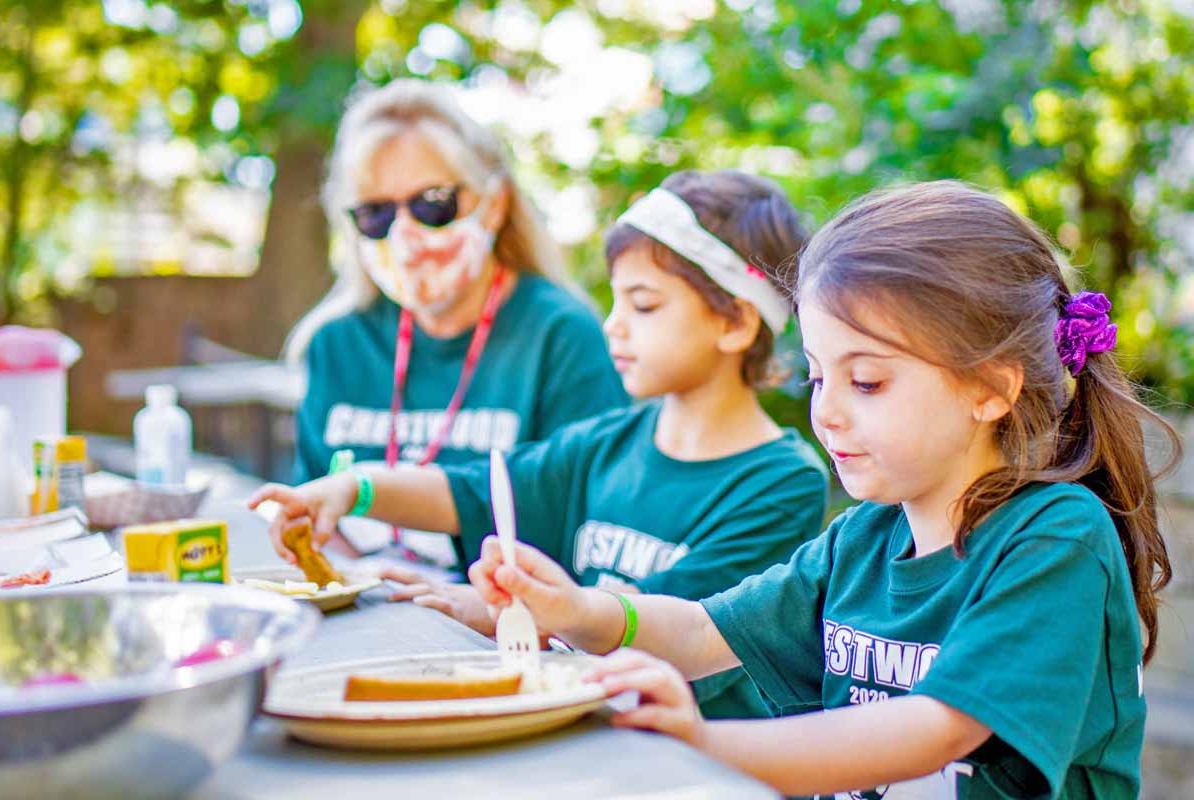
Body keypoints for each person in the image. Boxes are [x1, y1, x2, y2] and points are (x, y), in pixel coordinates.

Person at [469, 181, 1180, 798]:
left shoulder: (1056, 539)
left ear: (991, 388)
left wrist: (703, 744)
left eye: (866, 381)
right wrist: (577, 610)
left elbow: (935, 728)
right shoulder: (863, 538)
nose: (826, 411)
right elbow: (699, 632)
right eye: (817, 375)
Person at [251, 170, 829, 719]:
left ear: (735, 324)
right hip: (587, 727)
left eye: (644, 304)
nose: (613, 325)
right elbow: (474, 490)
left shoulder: (780, 482)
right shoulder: (607, 442)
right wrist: (353, 489)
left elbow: (681, 631)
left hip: (689, 758)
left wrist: (498, 609)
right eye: (616, 301)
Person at [284, 78, 627, 565]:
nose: (405, 235)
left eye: (433, 203)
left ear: (495, 204)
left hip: (508, 608)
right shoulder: (335, 343)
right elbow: (311, 512)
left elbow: (589, 517)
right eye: (376, 214)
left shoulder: (561, 335)